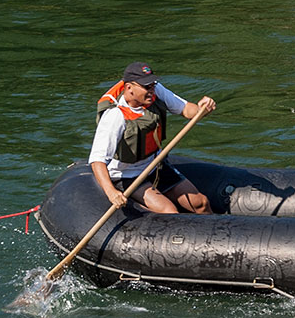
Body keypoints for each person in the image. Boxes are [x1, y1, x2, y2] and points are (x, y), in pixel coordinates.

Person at [88, 62, 216, 214]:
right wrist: (111, 192)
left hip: (154, 165)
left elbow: (188, 110)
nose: (151, 90)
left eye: (153, 85)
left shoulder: (155, 91)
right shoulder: (115, 116)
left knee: (201, 203)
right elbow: (97, 160)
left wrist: (202, 109)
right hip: (127, 176)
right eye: (147, 87)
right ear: (129, 88)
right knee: (169, 212)